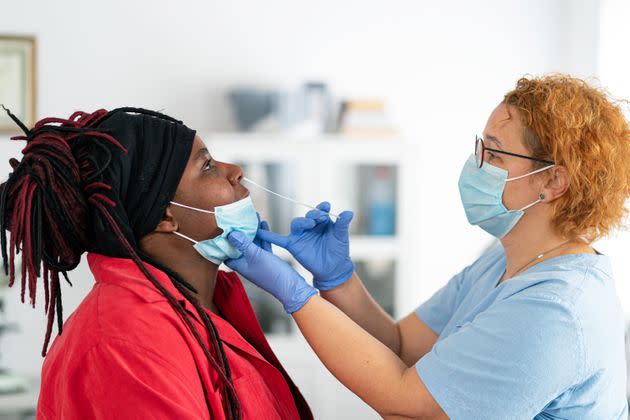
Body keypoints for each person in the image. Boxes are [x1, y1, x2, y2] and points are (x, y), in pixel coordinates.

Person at [224, 74, 630, 419]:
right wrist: (338, 281)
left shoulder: (559, 310)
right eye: (479, 146)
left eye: (495, 153)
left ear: (552, 182)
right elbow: (401, 346)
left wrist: (295, 294)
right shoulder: (502, 263)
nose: (476, 164)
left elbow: (406, 405)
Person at [0, 107, 312, 419]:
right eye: (207, 166)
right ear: (165, 216)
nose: (235, 170)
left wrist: (334, 288)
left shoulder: (209, 305)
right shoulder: (123, 343)